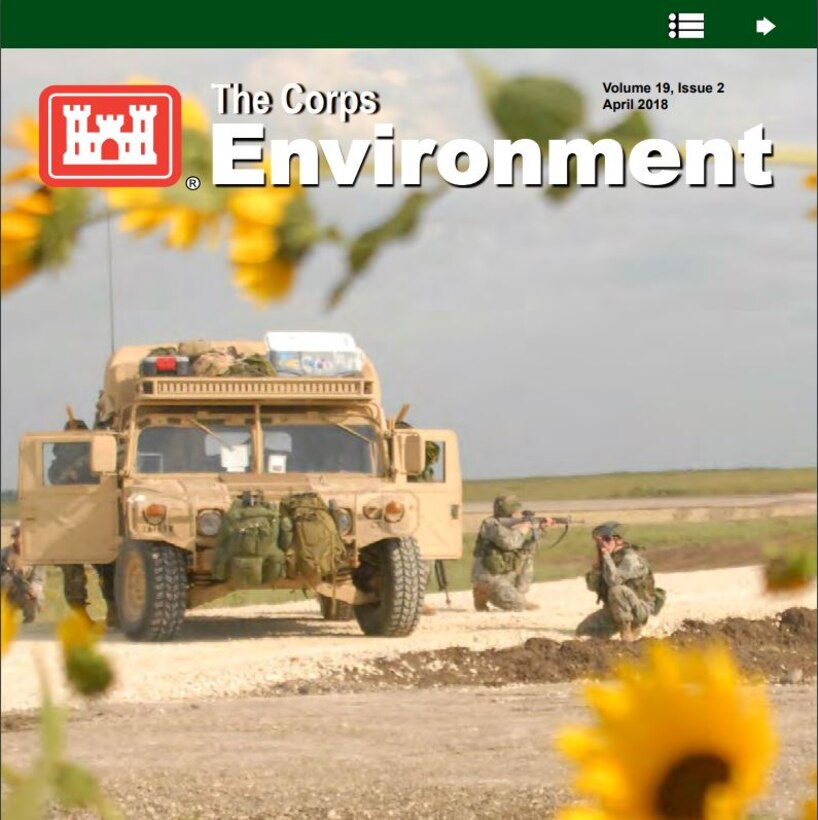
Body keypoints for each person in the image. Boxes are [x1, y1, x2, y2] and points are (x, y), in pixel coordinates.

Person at [51, 415, 118, 628]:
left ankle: (114, 612)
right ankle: (81, 615)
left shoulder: (98, 459)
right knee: (74, 574)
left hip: (97, 520)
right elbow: (60, 482)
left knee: (109, 568)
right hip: (69, 524)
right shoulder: (58, 467)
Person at [575, 521, 666, 642]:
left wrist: (606, 556)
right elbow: (592, 586)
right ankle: (617, 627)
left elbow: (614, 581)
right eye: (600, 542)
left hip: (639, 608)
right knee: (583, 631)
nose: (602, 545)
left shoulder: (630, 558)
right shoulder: (609, 558)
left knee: (617, 590)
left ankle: (628, 630)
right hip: (616, 609)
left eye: (607, 540)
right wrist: (598, 567)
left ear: (618, 540)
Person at [471, 494, 554, 612]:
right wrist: (524, 528)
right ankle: (481, 593)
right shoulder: (491, 524)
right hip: (489, 576)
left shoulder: (515, 526)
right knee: (518, 606)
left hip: (503, 572)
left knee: (527, 558)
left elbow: (527, 550)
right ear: (511, 513)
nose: (520, 514)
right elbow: (509, 543)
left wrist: (540, 530)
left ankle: (520, 596)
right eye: (517, 511)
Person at [1, 522, 45, 623]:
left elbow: (38, 578)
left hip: (25, 594)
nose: (21, 541)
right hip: (5, 594)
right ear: (14, 537)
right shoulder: (3, 555)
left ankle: (28, 631)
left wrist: (33, 590)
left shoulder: (35, 557)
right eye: (19, 537)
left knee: (32, 602)